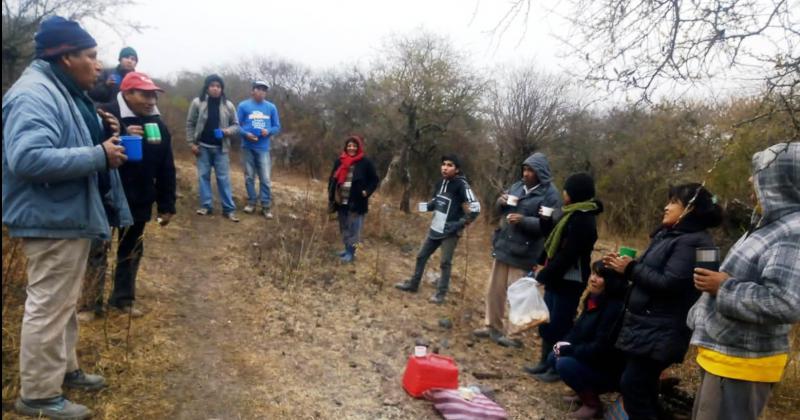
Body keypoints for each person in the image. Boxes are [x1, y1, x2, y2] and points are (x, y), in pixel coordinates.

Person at [2, 16, 132, 419]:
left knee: (62, 302)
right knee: (48, 304)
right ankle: (38, 395)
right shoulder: (34, 95)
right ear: (65, 57)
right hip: (51, 218)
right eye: (91, 56)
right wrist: (99, 155)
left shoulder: (61, 89)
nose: (98, 65)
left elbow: (62, 140)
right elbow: (26, 158)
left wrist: (99, 129)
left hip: (64, 214)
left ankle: (65, 370)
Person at [688, 142, 800, 420]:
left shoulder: (793, 233)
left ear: (782, 182)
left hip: (743, 364)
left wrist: (723, 287)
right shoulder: (770, 223)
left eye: (760, 173)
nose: (751, 179)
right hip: (727, 355)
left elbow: (786, 302)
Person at [603, 183, 722, 420]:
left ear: (690, 209)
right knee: (642, 389)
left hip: (664, 328)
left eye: (673, 203)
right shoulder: (671, 235)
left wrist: (632, 269)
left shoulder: (697, 243)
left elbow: (672, 284)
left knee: (634, 387)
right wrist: (622, 267)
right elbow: (656, 273)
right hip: (648, 325)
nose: (666, 207)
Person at [96, 71, 175, 317]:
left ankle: (123, 300)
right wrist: (117, 136)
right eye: (145, 94)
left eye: (154, 95)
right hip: (104, 195)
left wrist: (166, 203)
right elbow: (88, 148)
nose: (151, 101)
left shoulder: (157, 125)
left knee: (131, 249)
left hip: (140, 196)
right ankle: (90, 302)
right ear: (127, 93)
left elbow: (165, 166)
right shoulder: (103, 114)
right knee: (96, 249)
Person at [473, 153, 561, 348]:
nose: (526, 173)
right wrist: (501, 201)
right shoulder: (517, 186)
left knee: (518, 295)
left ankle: (515, 336)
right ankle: (492, 327)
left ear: (540, 172)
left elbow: (551, 224)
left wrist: (524, 221)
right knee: (494, 291)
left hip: (525, 251)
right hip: (504, 244)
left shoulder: (550, 194)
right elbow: (499, 208)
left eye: (531, 170)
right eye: (525, 169)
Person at [526, 172, 603, 381]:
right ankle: (544, 362)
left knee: (560, 325)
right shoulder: (569, 213)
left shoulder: (584, 220)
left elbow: (568, 255)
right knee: (547, 321)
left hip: (570, 280)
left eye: (567, 190)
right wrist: (541, 263)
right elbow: (552, 240)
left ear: (575, 193)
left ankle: (555, 367)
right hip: (556, 278)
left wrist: (544, 275)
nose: (564, 193)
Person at [395, 155, 481, 304]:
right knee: (421, 256)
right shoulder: (440, 182)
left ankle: (440, 295)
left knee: (445, 262)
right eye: (443, 164)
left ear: (457, 169)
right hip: (436, 227)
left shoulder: (462, 185)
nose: (445, 167)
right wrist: (421, 207)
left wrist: (460, 224)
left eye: (450, 165)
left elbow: (476, 208)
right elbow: (436, 202)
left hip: (450, 232)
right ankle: (413, 284)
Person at [552, 261, 627, 419]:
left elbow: (601, 349)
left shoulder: (614, 309)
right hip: (590, 358)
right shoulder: (593, 298)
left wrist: (570, 350)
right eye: (593, 273)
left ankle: (592, 404)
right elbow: (577, 331)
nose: (593, 278)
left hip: (607, 369)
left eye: (600, 276)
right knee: (554, 355)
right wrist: (563, 344)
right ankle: (582, 392)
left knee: (565, 364)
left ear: (612, 282)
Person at [186, 74, 240, 221]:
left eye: (218, 86)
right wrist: (192, 143)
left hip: (221, 149)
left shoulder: (228, 105)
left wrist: (227, 131)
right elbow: (190, 123)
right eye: (212, 86)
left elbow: (236, 125)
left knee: (223, 179)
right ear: (207, 87)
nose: (215, 89)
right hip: (202, 147)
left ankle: (228, 209)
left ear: (222, 89)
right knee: (203, 177)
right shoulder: (198, 103)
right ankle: (206, 206)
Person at [327, 135, 380, 263]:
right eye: (349, 146)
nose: (351, 148)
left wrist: (366, 192)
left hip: (357, 202)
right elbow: (332, 177)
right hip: (341, 201)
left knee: (354, 230)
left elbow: (374, 179)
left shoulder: (365, 162)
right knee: (344, 227)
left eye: (354, 146)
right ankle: (346, 249)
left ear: (358, 147)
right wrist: (331, 191)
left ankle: (351, 253)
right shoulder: (340, 161)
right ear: (346, 147)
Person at [238, 80, 281, 219]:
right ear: (253, 91)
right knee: (249, 177)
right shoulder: (243, 105)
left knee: (266, 178)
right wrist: (246, 134)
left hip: (263, 148)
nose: (262, 92)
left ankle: (266, 206)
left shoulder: (271, 107)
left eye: (264, 90)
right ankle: (251, 203)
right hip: (247, 147)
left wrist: (268, 131)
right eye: (259, 89)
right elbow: (236, 125)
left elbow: (277, 126)